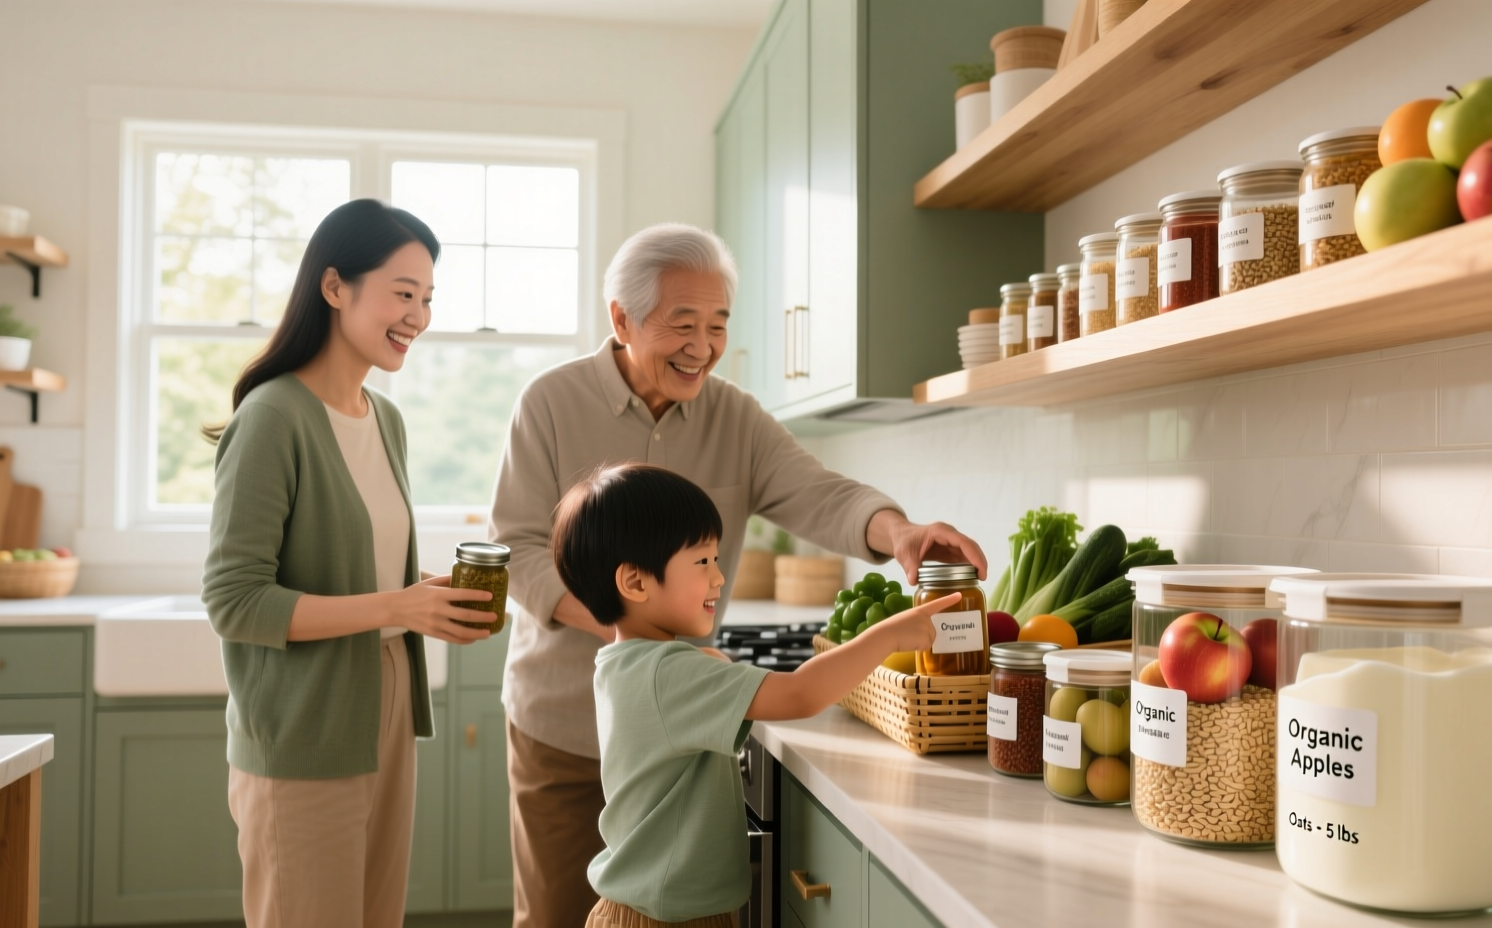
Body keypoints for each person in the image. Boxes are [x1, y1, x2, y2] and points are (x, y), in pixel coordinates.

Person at [487, 222, 987, 927]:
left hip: (684, 724)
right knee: (553, 916)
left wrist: (898, 530)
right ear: (621, 319)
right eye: (681, 323)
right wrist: (634, 632)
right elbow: (516, 550)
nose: (703, 346)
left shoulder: (738, 417)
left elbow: (819, 493)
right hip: (561, 724)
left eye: (718, 324)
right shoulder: (549, 402)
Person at [202, 199, 495, 928]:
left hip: (386, 710)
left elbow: (359, 572)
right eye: (403, 293)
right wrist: (399, 608)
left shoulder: (383, 417)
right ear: (335, 287)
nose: (419, 316)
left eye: (428, 299)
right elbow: (235, 601)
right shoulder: (272, 417)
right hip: (304, 726)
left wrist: (424, 596)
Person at [549, 464, 956, 928]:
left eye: (716, 559)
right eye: (701, 562)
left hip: (642, 906)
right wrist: (887, 637)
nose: (718, 578)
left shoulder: (625, 662)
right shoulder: (671, 672)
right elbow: (800, 694)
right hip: (673, 919)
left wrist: (704, 665)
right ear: (636, 582)